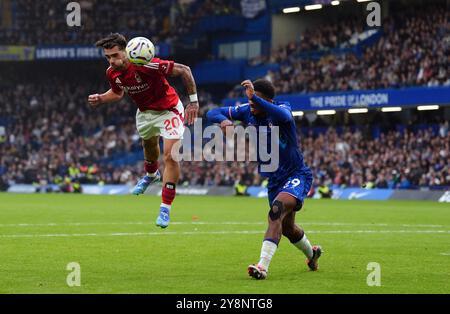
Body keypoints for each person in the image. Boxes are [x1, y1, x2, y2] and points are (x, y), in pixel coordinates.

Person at [206, 79, 322, 280]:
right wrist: (224, 121)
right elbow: (211, 113)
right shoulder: (247, 110)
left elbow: (283, 115)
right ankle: (312, 254)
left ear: (268, 100)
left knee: (275, 211)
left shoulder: (282, 108)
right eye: (250, 102)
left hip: (296, 174)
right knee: (288, 229)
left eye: (256, 102)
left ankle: (262, 266)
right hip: (274, 180)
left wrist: (256, 99)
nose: (251, 107)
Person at [88, 33, 199, 228]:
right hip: (145, 113)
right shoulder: (111, 73)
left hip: (169, 110)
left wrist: (194, 103)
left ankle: (165, 208)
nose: (112, 60)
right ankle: (151, 175)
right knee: (149, 147)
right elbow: (117, 92)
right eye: (108, 57)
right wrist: (101, 98)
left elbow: (185, 70)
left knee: (170, 157)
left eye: (115, 55)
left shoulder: (147, 64)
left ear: (126, 51)